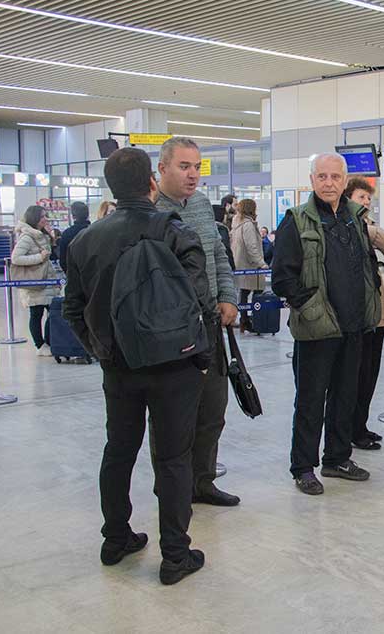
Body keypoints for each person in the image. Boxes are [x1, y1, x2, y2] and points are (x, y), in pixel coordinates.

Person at [63, 146, 214, 586]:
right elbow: (200, 300)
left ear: (110, 187)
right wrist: (201, 355)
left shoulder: (85, 241)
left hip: (120, 367)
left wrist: (102, 349)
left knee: (119, 451)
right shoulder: (175, 231)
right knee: (174, 458)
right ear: (151, 182)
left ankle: (116, 538)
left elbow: (73, 309)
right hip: (176, 365)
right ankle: (175, 555)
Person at [271, 153, 381, 496]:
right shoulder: (296, 220)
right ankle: (303, 467)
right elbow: (282, 277)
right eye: (322, 176)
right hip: (317, 328)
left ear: (345, 180)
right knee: (310, 401)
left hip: (354, 325)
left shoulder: (355, 218)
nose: (329, 183)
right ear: (312, 180)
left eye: (335, 177)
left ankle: (337, 458)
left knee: (345, 397)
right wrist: (311, 308)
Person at [155, 137, 241, 507]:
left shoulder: (204, 206)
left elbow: (219, 255)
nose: (193, 174)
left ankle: (202, 481)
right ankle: (172, 488)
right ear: (162, 168)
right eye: (184, 166)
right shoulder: (152, 211)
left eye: (197, 167)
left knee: (212, 410)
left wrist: (228, 296)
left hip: (210, 324)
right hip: (171, 330)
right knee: (172, 416)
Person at [344, 177, 384, 451]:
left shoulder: (368, 226)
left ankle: (361, 424)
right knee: (359, 373)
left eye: (368, 198)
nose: (367, 202)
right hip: (363, 313)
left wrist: (371, 229)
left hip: (380, 312)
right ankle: (353, 429)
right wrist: (370, 230)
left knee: (371, 372)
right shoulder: (353, 227)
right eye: (361, 197)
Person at [11, 205, 58, 356]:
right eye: (42, 216)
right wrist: (39, 257)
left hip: (47, 280)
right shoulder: (27, 237)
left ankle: (49, 342)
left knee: (53, 312)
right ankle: (40, 345)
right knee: (36, 313)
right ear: (35, 218)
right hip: (35, 281)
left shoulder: (42, 235)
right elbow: (16, 258)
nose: (45, 219)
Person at [231, 198, 267, 333]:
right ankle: (253, 320)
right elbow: (252, 247)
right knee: (257, 292)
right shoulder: (248, 225)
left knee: (244, 291)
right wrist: (261, 264)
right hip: (250, 265)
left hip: (240, 263)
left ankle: (244, 320)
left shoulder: (237, 223)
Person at [57, 201, 91, 273]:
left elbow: (63, 260)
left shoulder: (67, 234)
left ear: (73, 216)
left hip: (73, 273)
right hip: (94, 273)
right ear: (88, 214)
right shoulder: (95, 231)